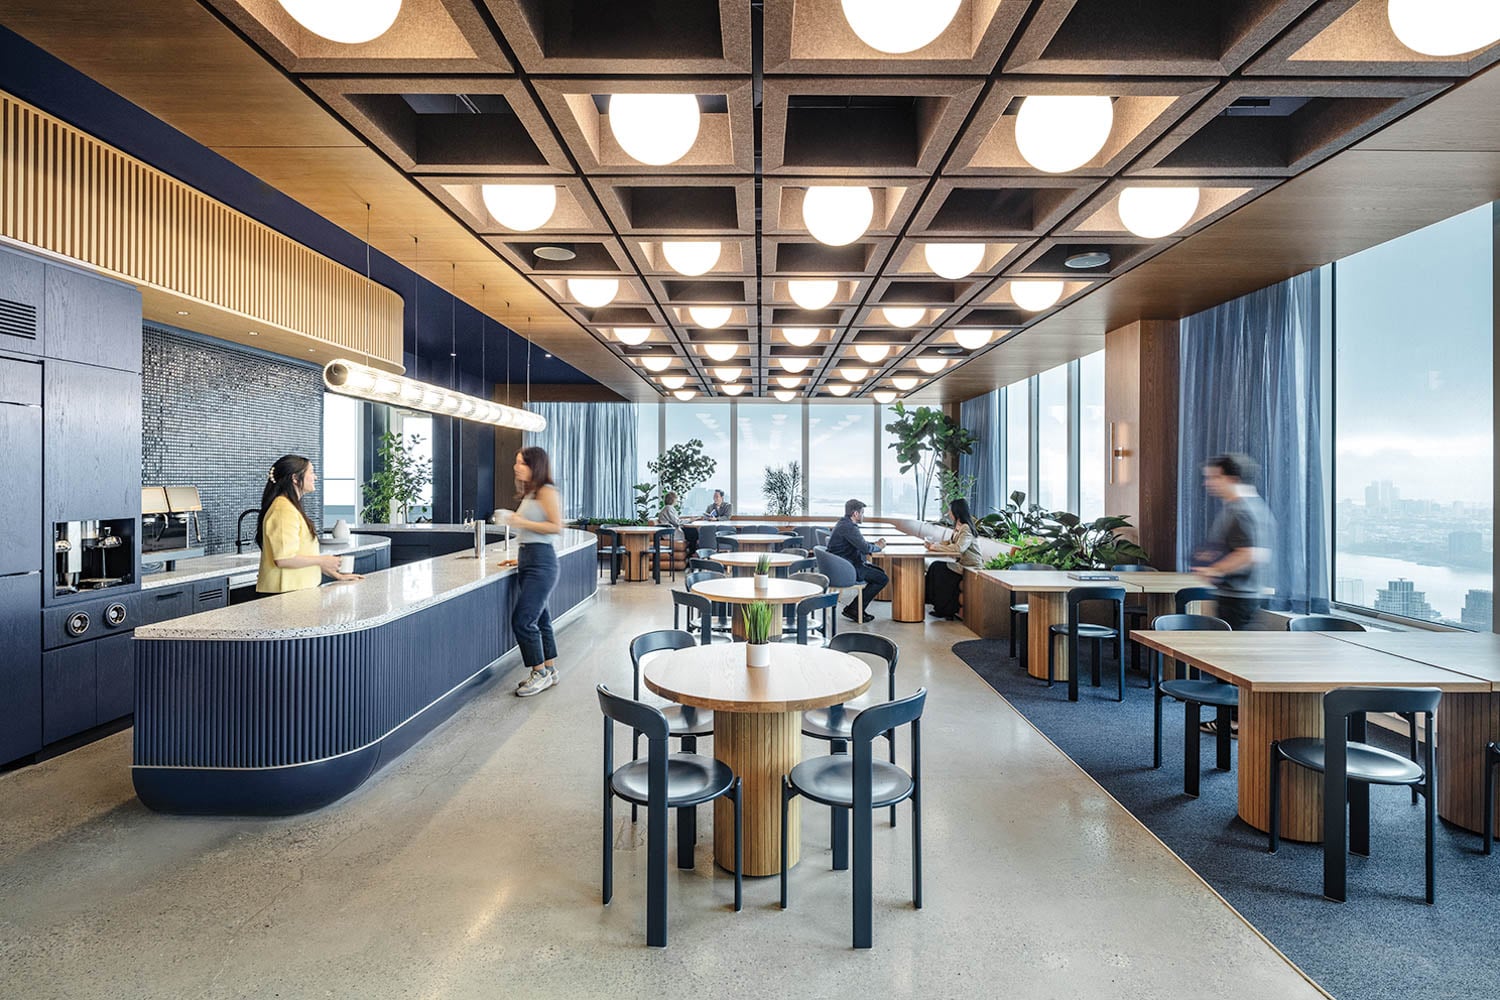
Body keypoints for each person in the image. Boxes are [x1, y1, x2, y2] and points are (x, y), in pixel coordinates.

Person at [498, 447, 564, 698]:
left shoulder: (547, 491)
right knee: (541, 619)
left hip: (542, 563)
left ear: (534, 465)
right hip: (529, 559)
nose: (516, 467)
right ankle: (549, 668)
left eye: (521, 463)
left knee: (523, 620)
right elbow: (532, 534)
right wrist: (520, 556)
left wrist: (519, 521)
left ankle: (539, 674)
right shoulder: (531, 493)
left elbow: (555, 527)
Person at [255, 454, 363, 594]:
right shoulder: (283, 509)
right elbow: (284, 559)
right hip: (285, 594)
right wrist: (322, 560)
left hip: (295, 592)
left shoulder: (290, 506)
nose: (315, 477)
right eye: (311, 472)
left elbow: (299, 555)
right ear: (295, 478)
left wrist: (334, 573)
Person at [1193, 452, 1275, 631]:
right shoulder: (1244, 506)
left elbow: (1252, 554)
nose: (1207, 483)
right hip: (1235, 595)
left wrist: (1215, 569)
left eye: (1214, 477)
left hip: (1239, 598)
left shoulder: (1242, 510)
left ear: (1232, 478)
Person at [827, 498, 887, 623]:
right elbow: (864, 548)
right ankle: (854, 609)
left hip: (843, 564)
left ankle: (855, 608)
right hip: (847, 568)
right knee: (882, 579)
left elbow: (860, 544)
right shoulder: (849, 527)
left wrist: (873, 545)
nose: (863, 516)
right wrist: (879, 547)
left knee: (879, 571)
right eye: (862, 513)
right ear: (856, 514)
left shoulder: (844, 524)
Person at [924, 497, 984, 619]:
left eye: (950, 511)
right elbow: (949, 542)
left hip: (970, 566)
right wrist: (934, 545)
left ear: (957, 512)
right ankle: (936, 604)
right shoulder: (959, 526)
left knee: (939, 569)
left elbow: (958, 548)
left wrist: (935, 547)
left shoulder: (966, 528)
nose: (948, 513)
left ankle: (944, 609)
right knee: (936, 567)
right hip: (961, 564)